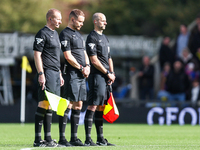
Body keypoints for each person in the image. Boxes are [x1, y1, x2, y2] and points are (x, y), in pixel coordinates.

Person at [33, 8, 64, 147]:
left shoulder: (56, 34)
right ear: (50, 19)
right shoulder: (42, 33)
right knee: (44, 103)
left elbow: (55, 57)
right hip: (47, 72)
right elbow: (37, 54)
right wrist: (41, 74)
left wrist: (60, 73)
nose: (60, 21)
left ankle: (48, 139)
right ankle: (37, 140)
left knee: (51, 104)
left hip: (55, 73)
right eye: (58, 18)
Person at [59, 9, 90, 146]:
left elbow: (84, 52)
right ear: (72, 19)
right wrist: (81, 67)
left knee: (79, 104)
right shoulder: (65, 34)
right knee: (68, 104)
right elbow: (68, 56)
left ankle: (74, 138)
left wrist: (88, 65)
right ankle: (62, 138)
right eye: (80, 21)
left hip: (81, 74)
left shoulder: (79, 35)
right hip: (71, 74)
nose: (82, 24)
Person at [84, 12, 116, 146]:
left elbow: (109, 58)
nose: (105, 23)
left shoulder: (105, 38)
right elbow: (94, 60)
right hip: (97, 76)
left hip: (106, 77)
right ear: (96, 21)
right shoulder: (92, 37)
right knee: (93, 105)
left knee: (102, 106)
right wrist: (107, 73)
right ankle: (88, 139)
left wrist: (112, 73)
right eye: (103, 20)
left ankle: (100, 139)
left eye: (105, 20)